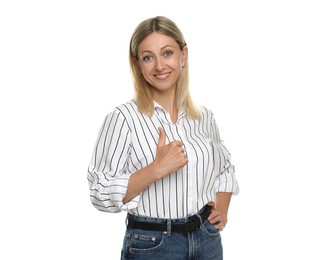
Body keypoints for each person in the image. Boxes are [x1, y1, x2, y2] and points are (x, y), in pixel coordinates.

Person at [87, 16, 239, 260]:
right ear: (137, 64)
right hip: (152, 246)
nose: (159, 66)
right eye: (148, 57)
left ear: (183, 55)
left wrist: (221, 208)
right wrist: (155, 170)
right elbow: (99, 192)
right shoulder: (123, 118)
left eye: (167, 53)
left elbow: (224, 169)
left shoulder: (203, 117)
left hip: (206, 240)